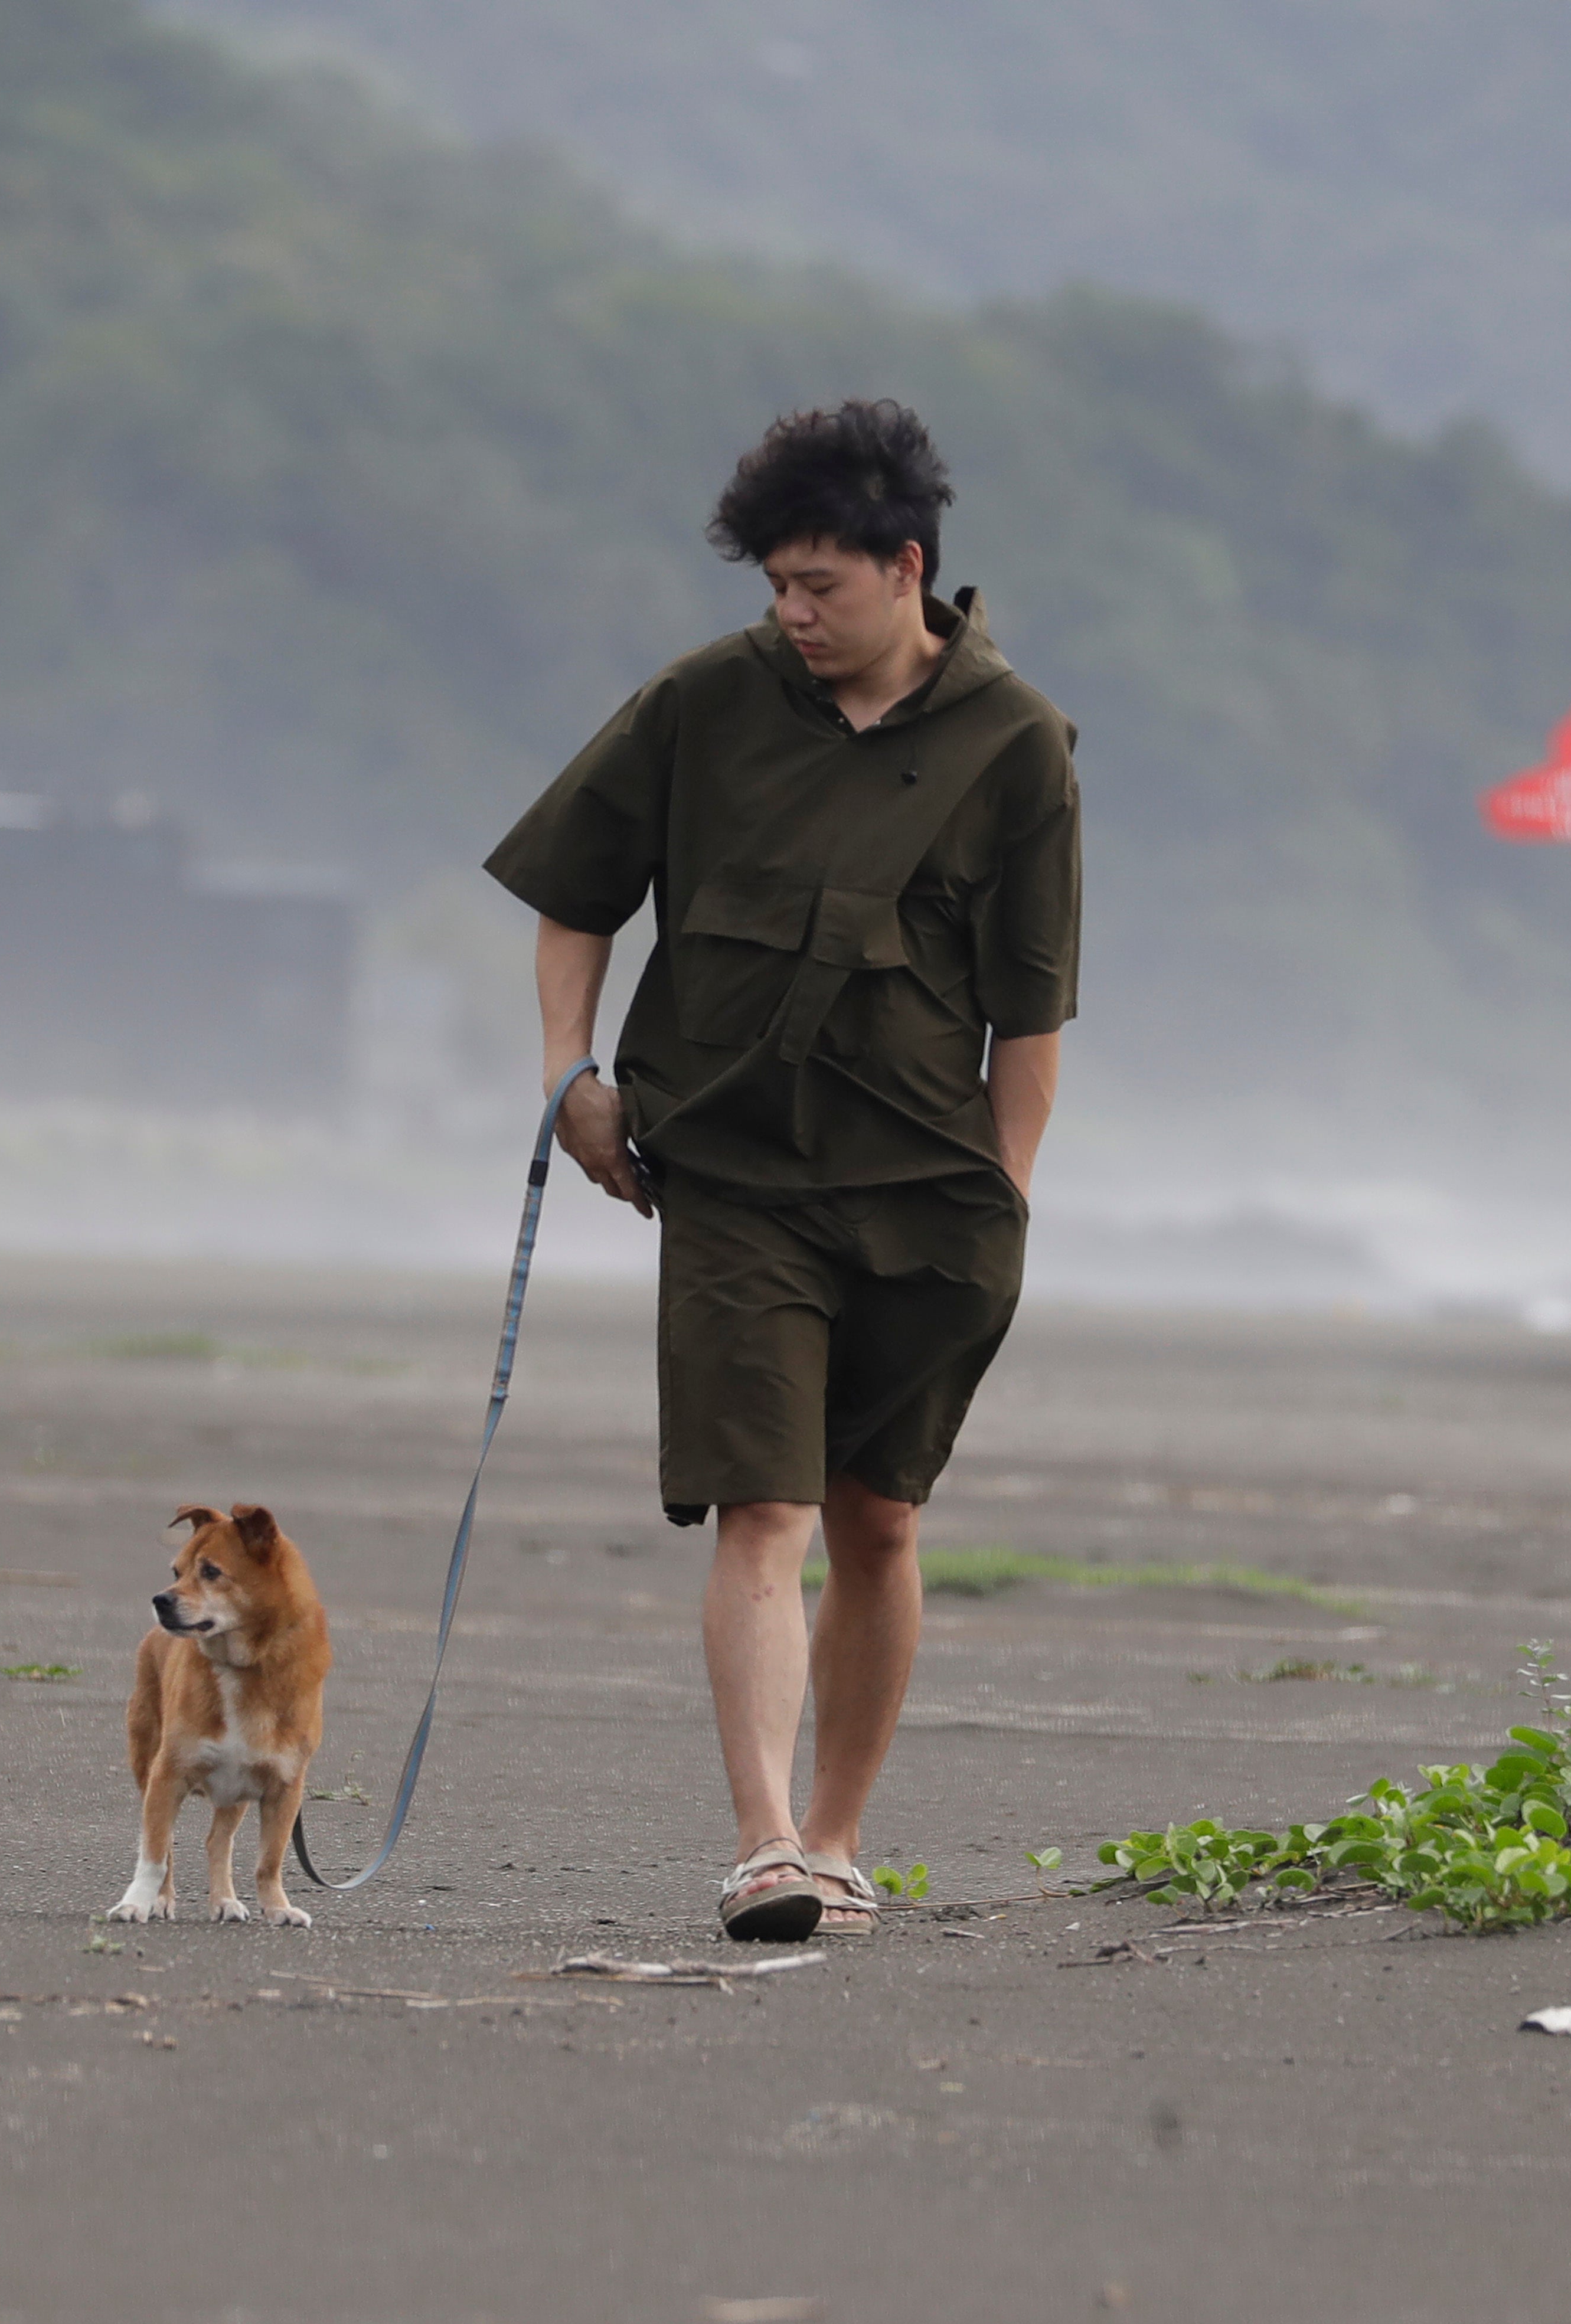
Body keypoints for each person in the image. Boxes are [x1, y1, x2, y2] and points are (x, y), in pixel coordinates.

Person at [482, 400, 1078, 1942]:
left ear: (907, 567)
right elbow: (574, 893)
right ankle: (762, 1844)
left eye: (818, 585)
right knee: (767, 1507)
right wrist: (572, 1070)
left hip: (928, 1195)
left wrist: (1004, 1204)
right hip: (738, 1177)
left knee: (877, 1518)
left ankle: (839, 1833)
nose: (791, 616)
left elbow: (1031, 1012)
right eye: (774, 588)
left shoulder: (1014, 745)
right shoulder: (703, 704)